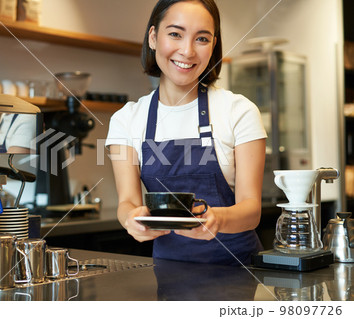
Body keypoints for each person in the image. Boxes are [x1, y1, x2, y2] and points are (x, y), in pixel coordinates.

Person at [105, 0, 267, 265]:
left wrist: (218, 219)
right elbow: (128, 202)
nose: (187, 50)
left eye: (201, 38)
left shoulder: (239, 111)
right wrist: (130, 220)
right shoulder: (127, 119)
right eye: (175, 34)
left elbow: (251, 210)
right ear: (154, 37)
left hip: (238, 271)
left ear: (213, 45)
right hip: (169, 272)